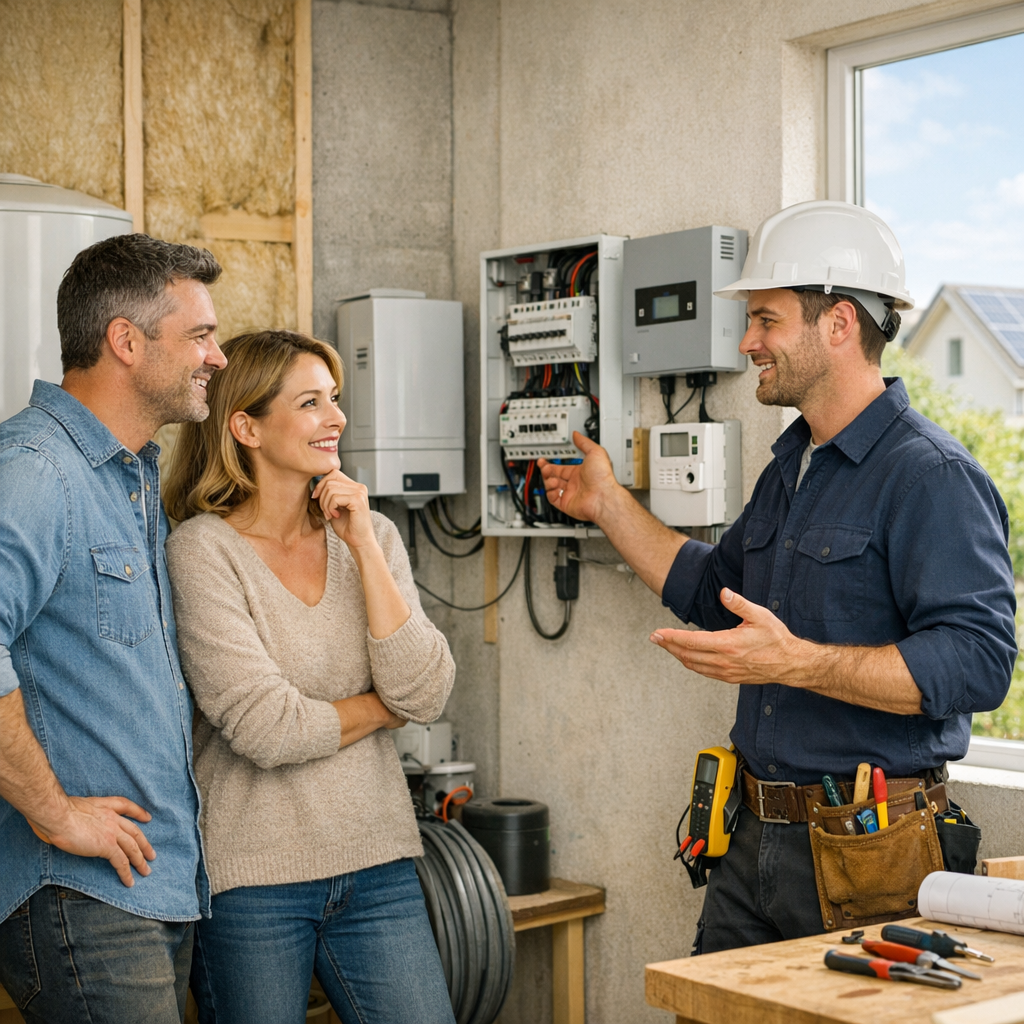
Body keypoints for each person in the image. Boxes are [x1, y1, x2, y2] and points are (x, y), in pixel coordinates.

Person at [539, 200, 1017, 953]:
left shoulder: (931, 478)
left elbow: (981, 663)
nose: (746, 341)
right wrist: (605, 505)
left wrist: (799, 664)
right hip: (753, 836)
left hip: (871, 850)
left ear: (839, 324)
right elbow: (712, 590)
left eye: (766, 320)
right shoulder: (792, 468)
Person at [162, 329, 456, 1024]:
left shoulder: (372, 535)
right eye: (311, 402)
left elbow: (427, 692)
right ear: (247, 427)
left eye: (335, 399)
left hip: (379, 863)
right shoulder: (202, 552)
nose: (337, 418)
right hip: (252, 882)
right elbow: (268, 729)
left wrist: (360, 542)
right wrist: (382, 712)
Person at [0, 234, 227, 1022]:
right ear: (126, 342)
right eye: (200, 335)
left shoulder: (129, 480)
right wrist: (57, 812)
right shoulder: (37, 470)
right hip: (80, 892)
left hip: (149, 885)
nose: (218, 357)